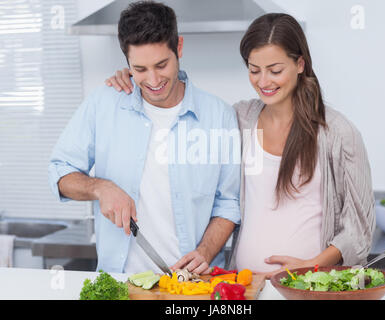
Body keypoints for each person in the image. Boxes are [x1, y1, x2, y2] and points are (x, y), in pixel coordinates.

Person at [105, 13, 376, 279]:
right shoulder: (238, 120)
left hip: (307, 288)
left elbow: (359, 230)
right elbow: (178, 101)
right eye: (254, 70)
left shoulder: (338, 134)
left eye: (276, 70)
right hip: (242, 285)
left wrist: (312, 266)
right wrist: (135, 77)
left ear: (301, 64)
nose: (264, 81)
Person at [48, 1, 241, 274]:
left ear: (180, 48)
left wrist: (205, 252)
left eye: (161, 65)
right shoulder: (104, 103)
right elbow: (59, 173)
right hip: (121, 282)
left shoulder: (219, 115)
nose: (153, 80)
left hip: (193, 288)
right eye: (139, 69)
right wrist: (100, 188)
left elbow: (228, 202)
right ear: (127, 62)